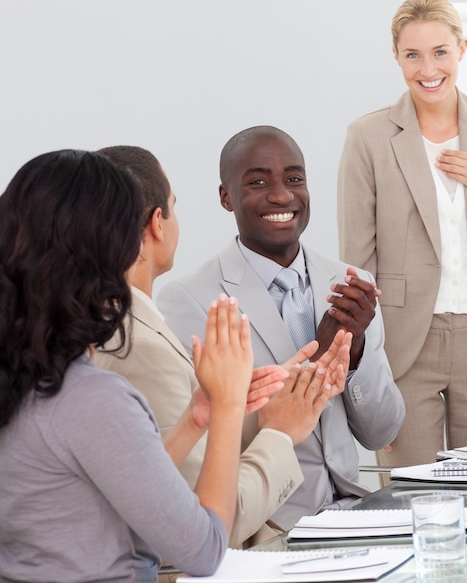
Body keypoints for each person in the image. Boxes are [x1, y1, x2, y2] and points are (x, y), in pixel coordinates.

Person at [0, 149, 286, 582]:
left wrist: (196, 418)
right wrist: (227, 407)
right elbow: (203, 550)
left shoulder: (27, 379)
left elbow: (121, 484)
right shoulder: (91, 398)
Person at [93, 145, 350, 549]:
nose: (281, 195)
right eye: (174, 206)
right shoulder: (138, 342)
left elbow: (173, 444)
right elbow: (208, 519)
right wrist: (281, 432)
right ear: (158, 224)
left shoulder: (124, 322)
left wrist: (272, 401)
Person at [337, 0, 467, 471]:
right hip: (404, 346)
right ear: (396, 56)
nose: (427, 68)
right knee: (411, 502)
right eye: (412, 54)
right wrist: (366, 377)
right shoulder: (367, 138)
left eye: (439, 52)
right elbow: (357, 266)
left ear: (462, 49)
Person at [157, 125, 405, 531]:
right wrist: (314, 365)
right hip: (267, 529)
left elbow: (382, 433)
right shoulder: (188, 299)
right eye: (258, 181)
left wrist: (354, 350)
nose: (281, 195)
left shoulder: (351, 282)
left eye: (294, 179)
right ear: (225, 197)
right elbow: (197, 445)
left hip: (357, 519)